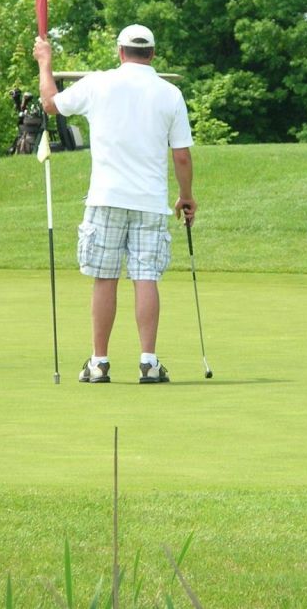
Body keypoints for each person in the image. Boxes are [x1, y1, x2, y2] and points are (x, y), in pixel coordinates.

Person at [33, 24, 195, 383]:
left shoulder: (99, 82)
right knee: (146, 278)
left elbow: (49, 103)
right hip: (150, 202)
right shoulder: (170, 93)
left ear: (120, 52)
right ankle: (149, 363)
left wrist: (46, 62)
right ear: (152, 54)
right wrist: (185, 197)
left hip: (106, 197)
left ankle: (99, 362)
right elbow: (181, 157)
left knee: (105, 278)